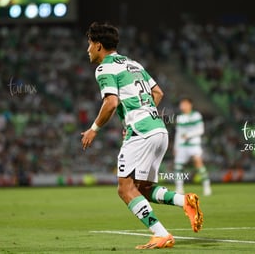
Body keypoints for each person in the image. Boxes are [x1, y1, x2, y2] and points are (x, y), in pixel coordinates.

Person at [80, 22, 203, 249]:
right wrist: (145, 113)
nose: (87, 49)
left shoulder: (104, 68)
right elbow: (158, 92)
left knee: (125, 188)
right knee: (142, 187)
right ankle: (184, 201)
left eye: (89, 44)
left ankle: (161, 234)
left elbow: (111, 103)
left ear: (98, 46)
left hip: (141, 132)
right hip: (158, 129)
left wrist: (93, 129)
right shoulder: (132, 63)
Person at [174, 97, 212, 196]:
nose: (182, 106)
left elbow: (201, 130)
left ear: (190, 104)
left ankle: (206, 186)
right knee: (178, 166)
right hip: (182, 146)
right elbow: (178, 134)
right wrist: (175, 147)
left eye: (184, 104)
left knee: (198, 162)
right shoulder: (180, 117)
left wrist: (189, 135)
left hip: (194, 144)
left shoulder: (196, 115)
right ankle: (179, 188)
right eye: (181, 104)